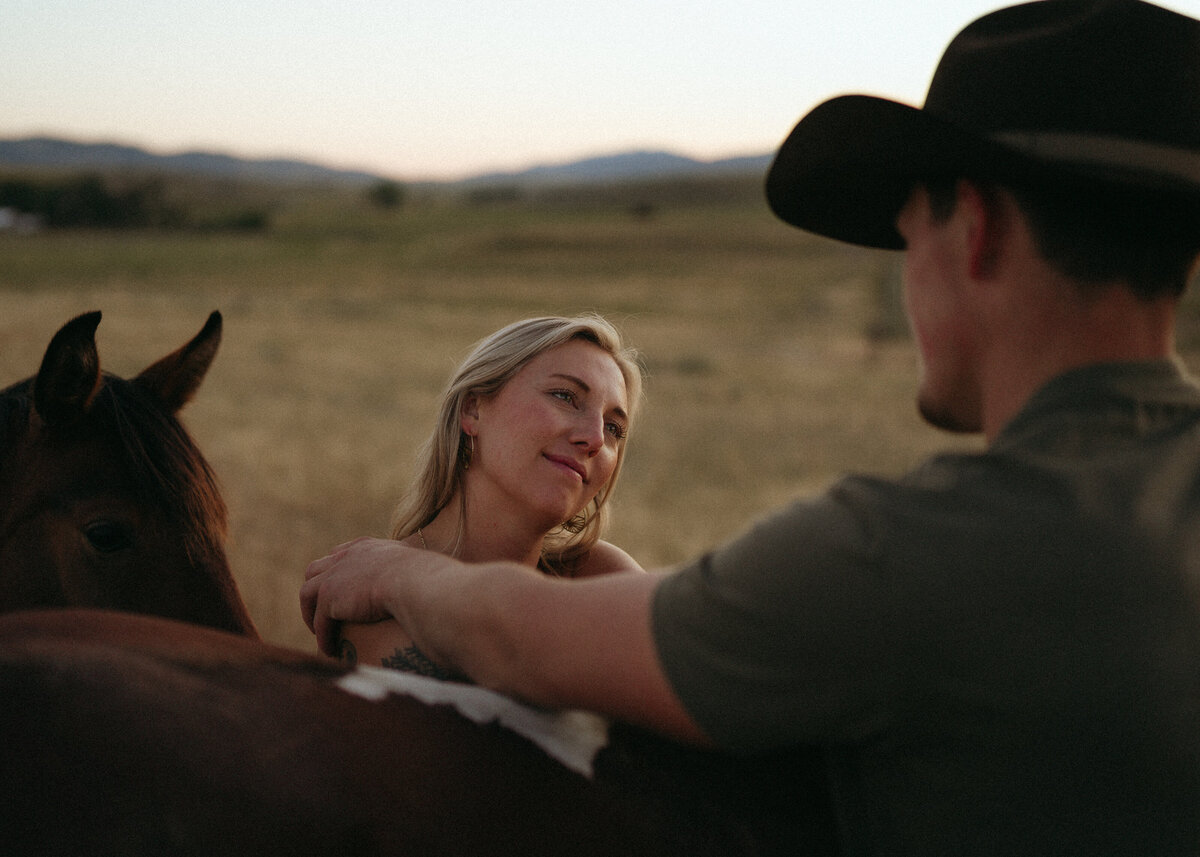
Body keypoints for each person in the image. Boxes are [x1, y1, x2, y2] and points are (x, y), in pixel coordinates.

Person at [302, 1, 1200, 852]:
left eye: (905, 231)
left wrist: (391, 568)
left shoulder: (900, 553)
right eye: (568, 398)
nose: (593, 436)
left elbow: (520, 643)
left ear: (974, 226)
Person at [330, 314, 645, 673]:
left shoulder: (597, 574)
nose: (594, 439)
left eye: (614, 427)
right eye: (565, 396)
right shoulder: (373, 599)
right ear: (473, 410)